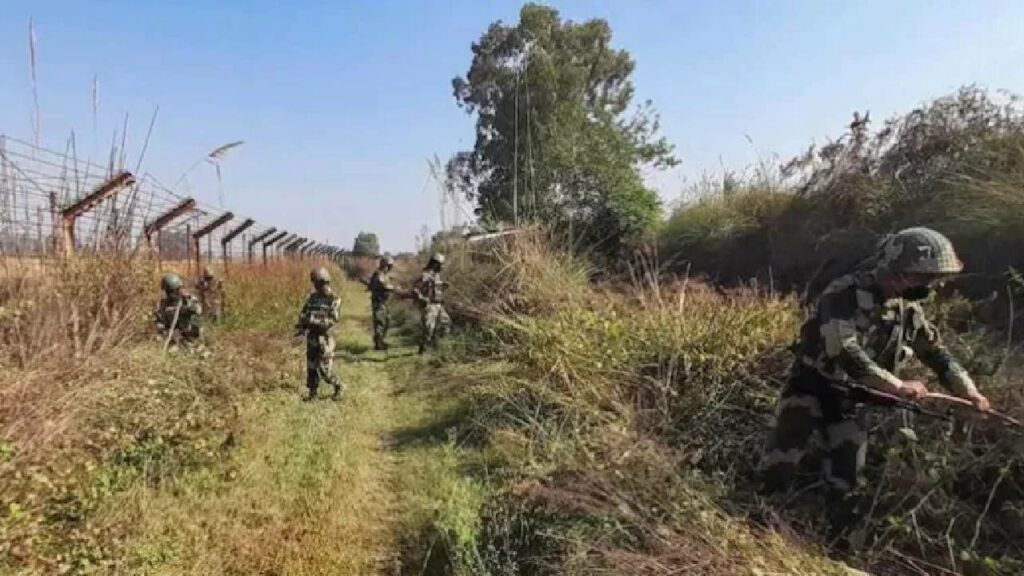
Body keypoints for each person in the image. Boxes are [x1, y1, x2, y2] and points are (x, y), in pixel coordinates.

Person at [761, 227, 992, 546]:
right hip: (811, 388)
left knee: (847, 483)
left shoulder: (908, 311)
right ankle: (756, 531)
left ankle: (833, 552)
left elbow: (937, 354)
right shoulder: (844, 293)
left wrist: (968, 391)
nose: (926, 285)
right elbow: (845, 351)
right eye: (920, 277)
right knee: (780, 465)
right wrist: (897, 385)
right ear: (897, 270)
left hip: (851, 401)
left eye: (930, 279)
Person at [296, 267, 342, 400]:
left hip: (325, 338)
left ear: (324, 282)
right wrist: (301, 328)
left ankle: (338, 385)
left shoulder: (333, 299)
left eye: (317, 283)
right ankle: (312, 393)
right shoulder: (312, 298)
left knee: (324, 369)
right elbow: (304, 313)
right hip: (312, 337)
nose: (315, 285)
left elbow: (332, 320)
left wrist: (313, 320)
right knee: (311, 367)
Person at [412, 253, 451, 354]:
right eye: (441, 264)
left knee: (445, 323)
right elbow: (415, 288)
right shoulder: (425, 275)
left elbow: (434, 286)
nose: (442, 267)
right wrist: (422, 298)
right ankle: (423, 350)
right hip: (429, 306)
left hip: (438, 305)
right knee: (428, 329)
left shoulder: (436, 275)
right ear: (435, 264)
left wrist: (443, 285)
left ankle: (436, 346)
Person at [154, 272, 203, 349]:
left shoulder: (188, 299)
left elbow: (198, 310)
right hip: (172, 336)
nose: (174, 293)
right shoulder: (163, 303)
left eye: (176, 290)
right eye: (170, 291)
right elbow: (160, 321)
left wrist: (185, 308)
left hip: (190, 335)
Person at [367, 255, 396, 350]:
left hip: (383, 302)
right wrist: (394, 289)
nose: (390, 268)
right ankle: (378, 344)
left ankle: (380, 341)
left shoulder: (383, 274)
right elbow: (384, 285)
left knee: (386, 322)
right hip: (379, 303)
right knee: (380, 323)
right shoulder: (379, 274)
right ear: (385, 265)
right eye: (390, 265)